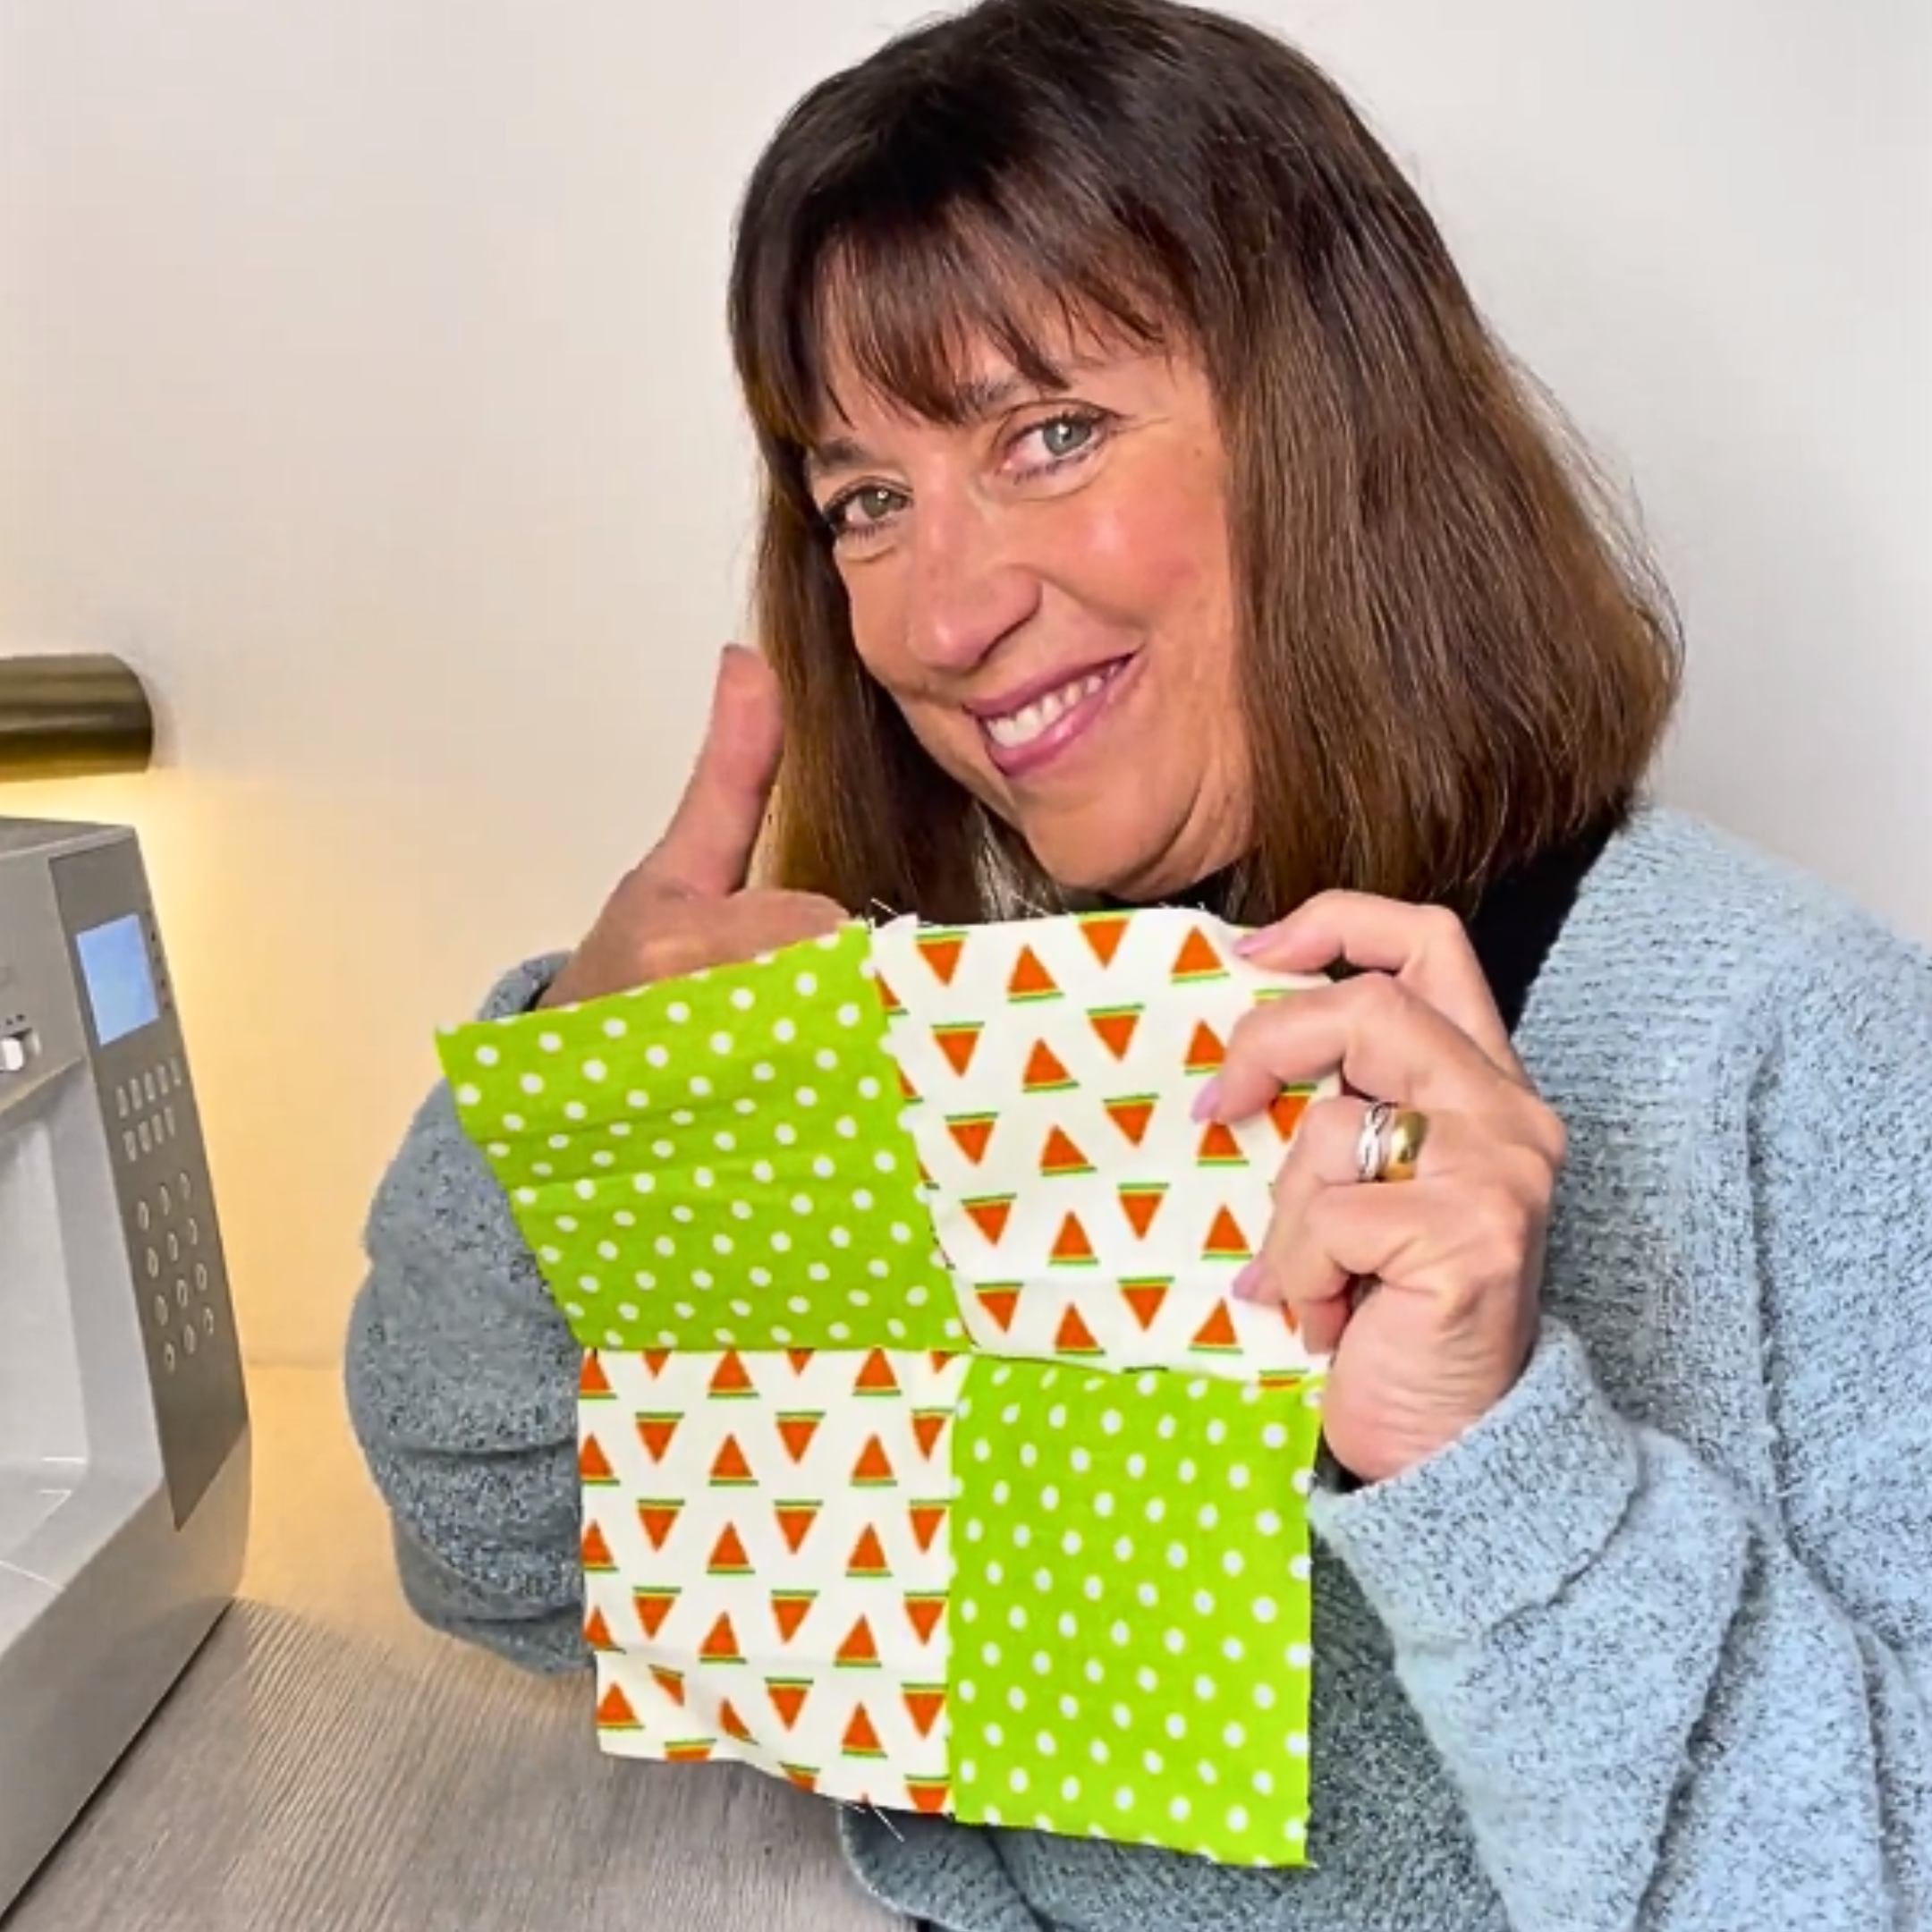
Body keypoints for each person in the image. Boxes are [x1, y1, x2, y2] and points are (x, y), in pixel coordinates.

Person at [343, 0, 1932, 1926]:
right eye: (867, 501)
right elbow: (519, 1563)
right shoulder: (996, 1051)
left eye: (1051, 433)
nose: (940, 619)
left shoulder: (1794, 1045)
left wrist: (1491, 1459)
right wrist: (574, 1116)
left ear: (1336, 424)